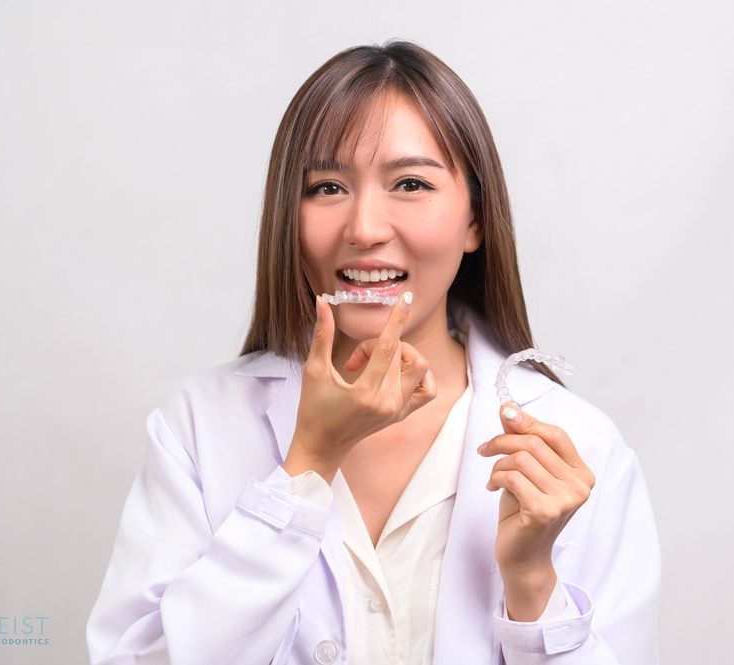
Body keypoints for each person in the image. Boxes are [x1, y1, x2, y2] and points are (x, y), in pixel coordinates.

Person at [86, 40, 660, 665]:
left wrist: (532, 586)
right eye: (327, 186)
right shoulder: (200, 424)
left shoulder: (580, 447)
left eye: (410, 183)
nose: (363, 228)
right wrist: (305, 467)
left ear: (475, 222)